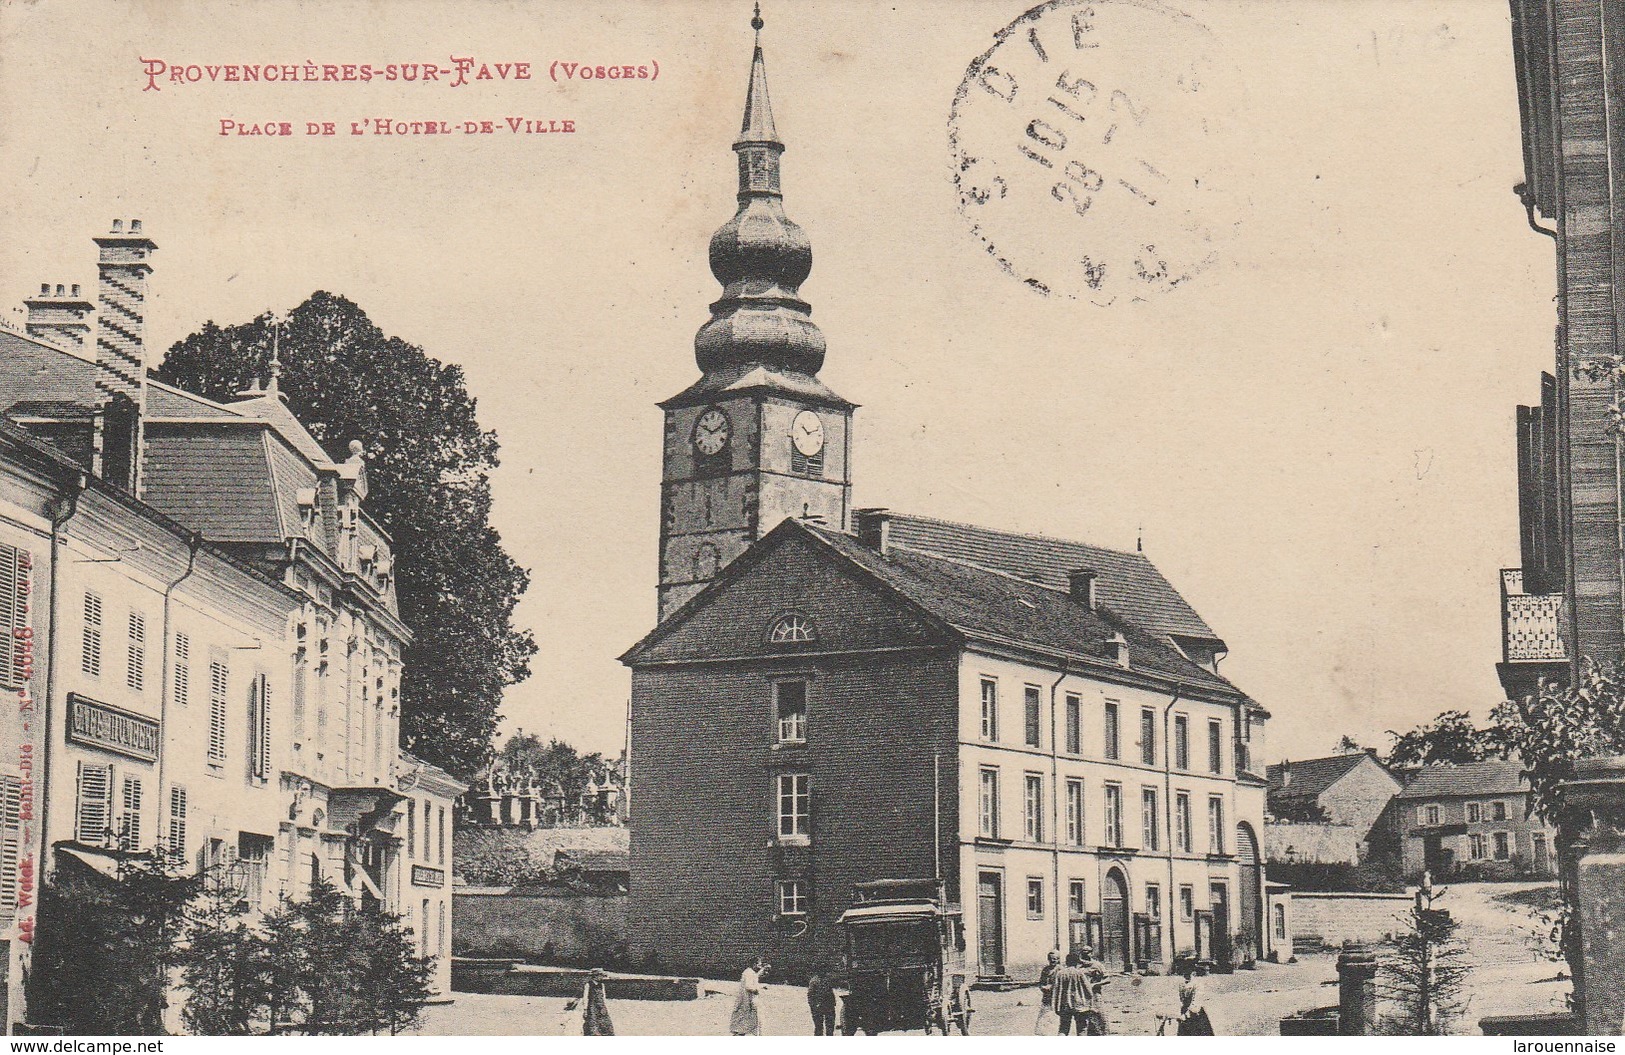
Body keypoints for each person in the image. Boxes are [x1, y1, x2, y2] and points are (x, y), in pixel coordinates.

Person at [1051, 951, 1106, 1035]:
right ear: (1077, 962)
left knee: (1063, 1028)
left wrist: (1056, 1006)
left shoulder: (1060, 974)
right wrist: (1090, 1003)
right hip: (1079, 1005)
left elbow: (1055, 990)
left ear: (1066, 962)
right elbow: (1088, 989)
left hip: (1064, 1005)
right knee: (1082, 1028)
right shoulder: (1080, 973)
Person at [1168, 958, 1215, 1036]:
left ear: (1192, 971)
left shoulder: (1197, 983)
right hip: (1184, 1013)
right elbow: (1179, 999)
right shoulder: (1181, 984)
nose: (1185, 973)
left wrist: (1186, 1014)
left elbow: (1197, 1001)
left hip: (1196, 1015)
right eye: (1183, 971)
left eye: (1187, 970)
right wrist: (1177, 1012)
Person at [730, 956, 768, 1036]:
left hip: (749, 999)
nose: (760, 966)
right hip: (748, 1000)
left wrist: (762, 972)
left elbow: (754, 978)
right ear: (754, 964)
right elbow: (749, 986)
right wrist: (758, 988)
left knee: (750, 1018)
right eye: (759, 965)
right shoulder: (748, 973)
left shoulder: (749, 972)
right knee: (750, 1018)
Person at [1033, 950, 1061, 1035]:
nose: (1052, 961)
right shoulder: (1045, 969)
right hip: (1046, 997)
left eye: (1055, 959)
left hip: (1057, 998)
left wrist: (1052, 987)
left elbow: (1062, 984)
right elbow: (1041, 982)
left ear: (1058, 959)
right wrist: (1042, 987)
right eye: (1050, 959)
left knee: (1055, 1018)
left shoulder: (1060, 970)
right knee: (1044, 1017)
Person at [807, 962, 838, 1036]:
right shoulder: (814, 981)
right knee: (819, 1028)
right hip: (818, 1007)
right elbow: (810, 995)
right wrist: (813, 1006)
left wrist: (833, 1003)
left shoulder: (826, 980)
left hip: (828, 1006)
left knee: (829, 1028)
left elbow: (830, 992)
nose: (824, 972)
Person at [582, 968, 615, 1036]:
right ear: (595, 976)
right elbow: (585, 997)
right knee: (593, 1022)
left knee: (605, 1023)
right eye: (600, 976)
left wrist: (605, 1007)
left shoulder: (602, 985)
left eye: (602, 976)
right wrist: (585, 1009)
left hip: (601, 1005)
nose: (601, 977)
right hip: (592, 1006)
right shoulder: (588, 985)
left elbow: (604, 997)